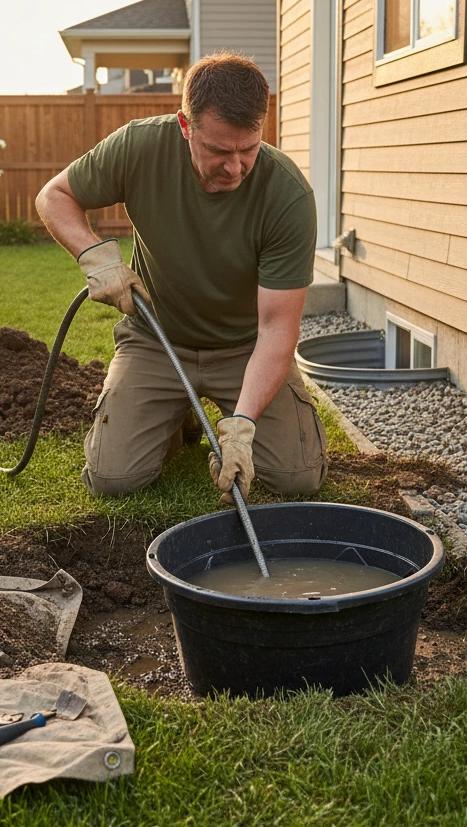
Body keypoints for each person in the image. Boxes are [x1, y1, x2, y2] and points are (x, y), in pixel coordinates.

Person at [35, 52, 327, 503]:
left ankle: (215, 410)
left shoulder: (286, 195)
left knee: (297, 476)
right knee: (113, 480)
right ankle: (178, 415)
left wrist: (243, 426)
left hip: (244, 349)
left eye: (248, 149)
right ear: (185, 126)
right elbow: (55, 196)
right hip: (158, 340)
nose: (235, 167)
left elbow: (276, 330)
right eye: (218, 151)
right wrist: (96, 257)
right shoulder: (140, 147)